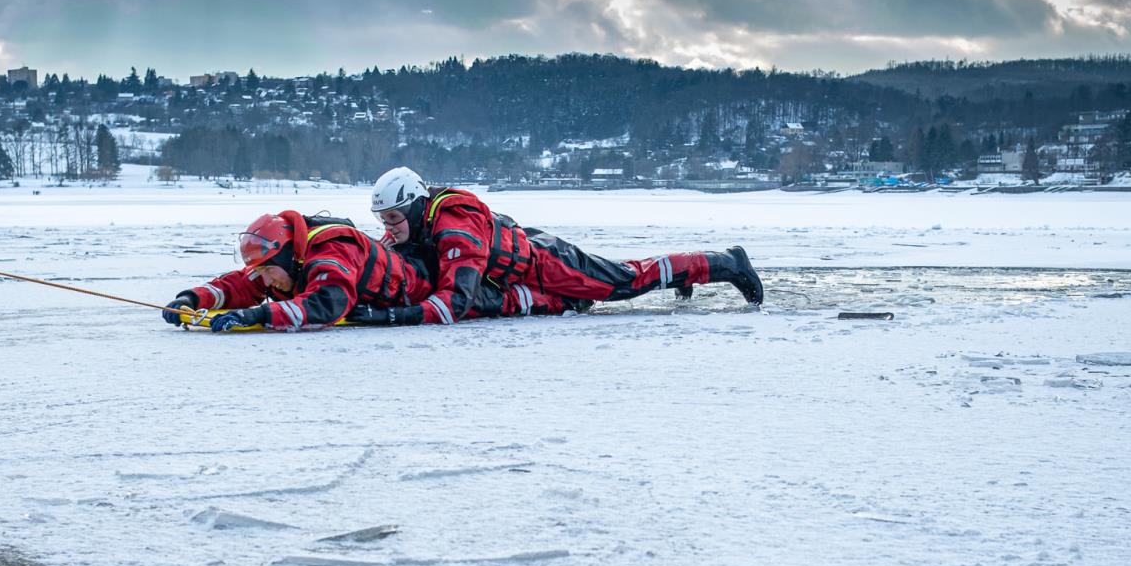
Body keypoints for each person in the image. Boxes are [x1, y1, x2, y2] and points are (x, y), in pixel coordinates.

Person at [364, 167, 764, 325]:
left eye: (394, 219)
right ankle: (681, 276)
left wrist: (397, 316)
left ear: (416, 208)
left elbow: (458, 299)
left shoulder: (455, 227)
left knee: (622, 282)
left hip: (546, 263)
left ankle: (727, 263)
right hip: (524, 263)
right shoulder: (415, 227)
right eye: (383, 222)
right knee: (609, 283)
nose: (389, 229)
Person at [161, 209, 432, 332]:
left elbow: (326, 304)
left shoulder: (332, 251)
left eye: (267, 270)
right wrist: (192, 298)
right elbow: (241, 284)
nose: (265, 280)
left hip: (421, 283)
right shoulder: (281, 264)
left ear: (287, 255)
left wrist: (258, 315)